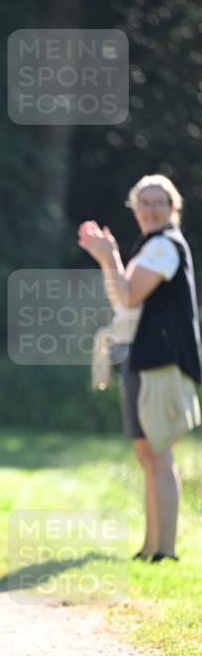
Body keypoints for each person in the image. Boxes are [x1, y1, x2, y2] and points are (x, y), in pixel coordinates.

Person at [78, 174, 201, 563]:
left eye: (158, 201)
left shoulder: (164, 247)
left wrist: (107, 256)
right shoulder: (150, 247)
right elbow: (123, 299)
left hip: (161, 362)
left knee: (159, 454)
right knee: (148, 456)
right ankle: (151, 547)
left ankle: (164, 551)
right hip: (143, 359)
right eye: (143, 202)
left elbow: (128, 296)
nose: (150, 208)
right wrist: (111, 257)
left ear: (172, 208)